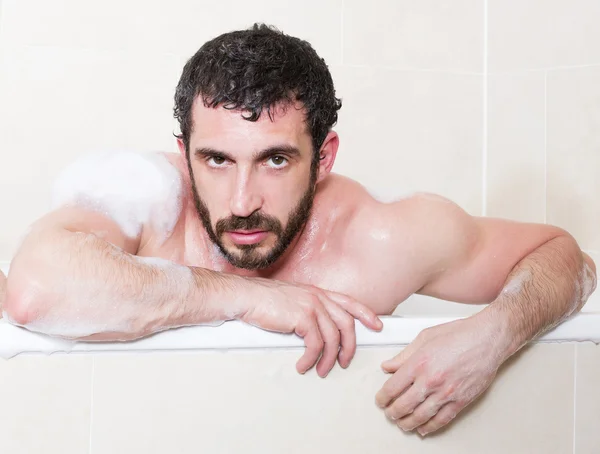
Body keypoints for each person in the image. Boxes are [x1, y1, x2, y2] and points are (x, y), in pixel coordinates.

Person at [0, 23, 596, 437]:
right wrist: (248, 296)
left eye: (276, 160)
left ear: (325, 156)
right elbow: (33, 291)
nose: (242, 201)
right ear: (185, 154)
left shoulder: (378, 237)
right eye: (217, 159)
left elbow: (565, 256)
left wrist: (493, 337)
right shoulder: (149, 201)